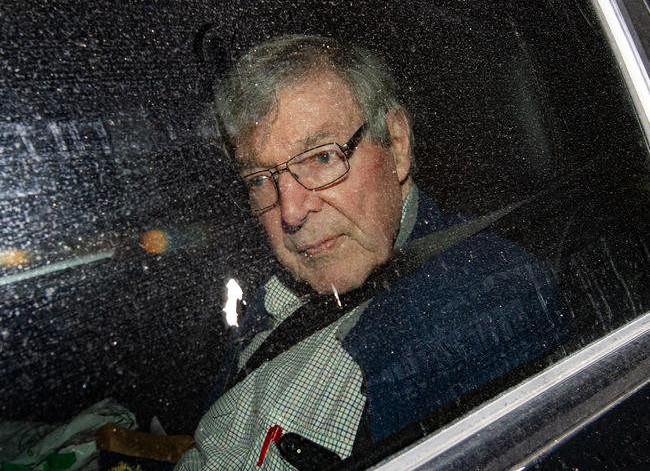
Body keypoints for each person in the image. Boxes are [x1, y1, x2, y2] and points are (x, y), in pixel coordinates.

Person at [176, 34, 569, 470]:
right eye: (259, 180)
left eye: (322, 157)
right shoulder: (274, 293)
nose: (290, 210)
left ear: (397, 145)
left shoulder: (482, 301)